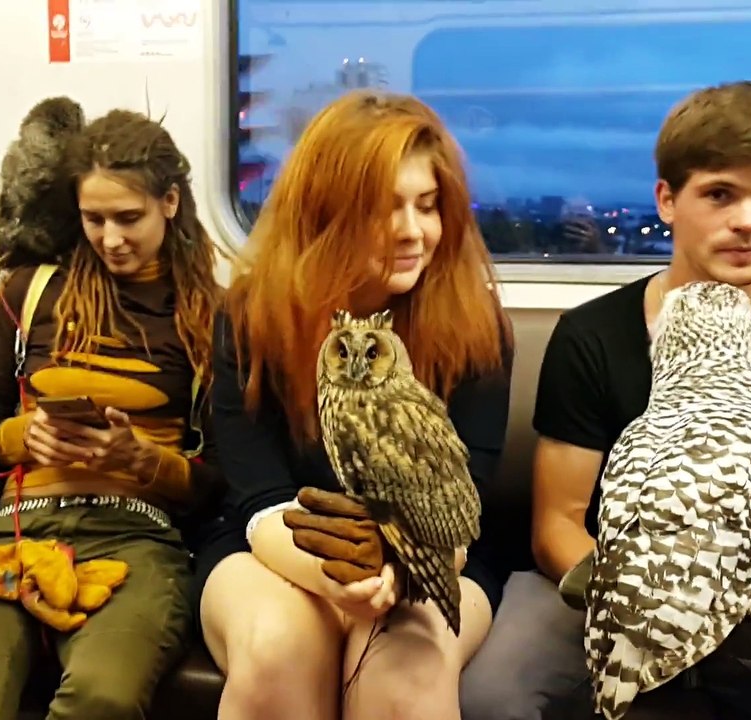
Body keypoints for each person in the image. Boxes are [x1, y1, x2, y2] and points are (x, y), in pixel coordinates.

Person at [459, 80, 751, 719]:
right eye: (719, 194)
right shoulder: (593, 334)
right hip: (621, 574)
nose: (747, 220)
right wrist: (655, 610)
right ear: (668, 200)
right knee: (493, 697)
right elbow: (557, 525)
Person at [195, 89, 515, 720]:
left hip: (435, 554)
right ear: (325, 214)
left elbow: (459, 504)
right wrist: (346, 579)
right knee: (276, 648)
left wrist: (395, 576)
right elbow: (259, 495)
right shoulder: (252, 317)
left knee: (405, 666)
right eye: (380, 209)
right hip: (274, 541)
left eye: (427, 206)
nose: (412, 231)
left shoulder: (476, 328)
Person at [0, 105, 223, 720]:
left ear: (171, 203)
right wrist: (21, 437)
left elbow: (221, 479)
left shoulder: (211, 317)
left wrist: (145, 460)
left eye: (128, 218)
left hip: (138, 535)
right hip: (17, 527)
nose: (111, 239)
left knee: (101, 698)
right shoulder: (28, 293)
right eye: (94, 219)